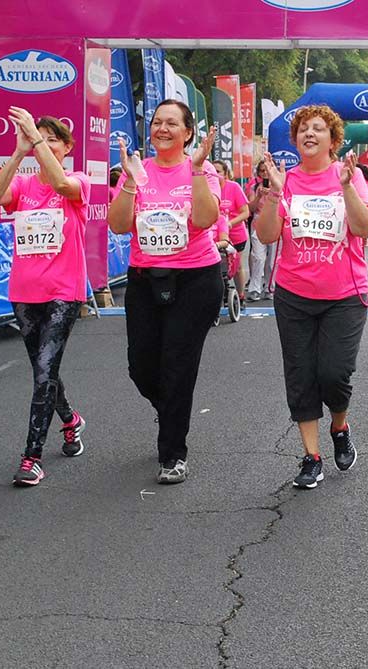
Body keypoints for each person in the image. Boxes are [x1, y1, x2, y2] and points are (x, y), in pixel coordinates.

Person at [254, 104, 368, 490]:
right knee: (301, 376)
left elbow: (364, 227)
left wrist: (344, 186)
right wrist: (273, 194)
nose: (309, 133)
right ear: (295, 139)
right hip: (293, 293)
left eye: (318, 128)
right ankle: (311, 457)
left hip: (344, 295)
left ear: (333, 139)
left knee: (334, 373)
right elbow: (267, 236)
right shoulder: (284, 180)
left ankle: (340, 425)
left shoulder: (349, 177)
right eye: (303, 128)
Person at [108, 99, 220, 484]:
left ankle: (173, 454)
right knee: (141, 368)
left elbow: (205, 219)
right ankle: (169, 406)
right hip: (144, 279)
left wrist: (200, 171)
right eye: (157, 122)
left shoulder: (200, 171)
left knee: (177, 366)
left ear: (188, 132)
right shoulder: (139, 171)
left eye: (173, 123)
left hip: (195, 280)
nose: (163, 129)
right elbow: (119, 225)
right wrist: (128, 180)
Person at [0, 108, 90, 486]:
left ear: (66, 147)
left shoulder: (77, 180)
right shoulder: (25, 186)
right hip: (24, 291)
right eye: (38, 140)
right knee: (43, 371)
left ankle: (32, 457)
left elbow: (61, 185)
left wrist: (36, 136)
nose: (41, 145)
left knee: (45, 371)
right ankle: (71, 420)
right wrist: (18, 152)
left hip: (64, 292)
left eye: (51, 140)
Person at [213, 160, 250, 299]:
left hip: (235, 234)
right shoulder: (206, 188)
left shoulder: (233, 187)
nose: (215, 175)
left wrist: (230, 223)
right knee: (217, 266)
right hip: (215, 234)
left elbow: (245, 212)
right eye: (213, 171)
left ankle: (240, 294)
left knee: (236, 266)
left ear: (225, 174)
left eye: (218, 172)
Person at [247, 160, 277, 301]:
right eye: (262, 171)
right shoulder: (254, 188)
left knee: (272, 260)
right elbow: (250, 209)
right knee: (258, 257)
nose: (265, 174)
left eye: (267, 170)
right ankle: (255, 289)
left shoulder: (279, 185)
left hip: (275, 221)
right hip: (258, 223)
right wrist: (259, 196)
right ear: (258, 173)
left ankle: (270, 287)